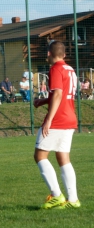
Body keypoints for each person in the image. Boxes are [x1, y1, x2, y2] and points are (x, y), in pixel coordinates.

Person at [33, 40, 80, 209]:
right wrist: (44, 100)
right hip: (70, 118)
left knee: (39, 156)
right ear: (64, 54)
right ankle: (73, 200)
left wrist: (49, 120)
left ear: (48, 54)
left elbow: (59, 94)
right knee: (63, 158)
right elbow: (64, 94)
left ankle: (56, 195)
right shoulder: (70, 69)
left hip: (58, 119)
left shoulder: (55, 69)